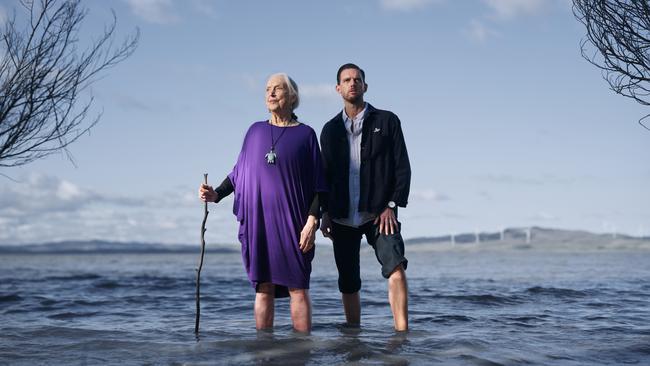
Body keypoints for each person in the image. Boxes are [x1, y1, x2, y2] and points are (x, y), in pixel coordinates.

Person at [199, 73, 327, 333]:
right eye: (268, 89)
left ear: (292, 97)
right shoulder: (255, 131)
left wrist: (312, 222)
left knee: (298, 287)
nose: (270, 93)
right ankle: (264, 353)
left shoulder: (306, 135)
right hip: (260, 224)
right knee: (263, 287)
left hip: (294, 224)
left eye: (277, 89)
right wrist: (217, 194)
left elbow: (320, 185)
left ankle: (301, 352)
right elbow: (239, 172)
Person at [319, 63, 411, 331]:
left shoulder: (387, 121)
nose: (352, 83)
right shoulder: (329, 129)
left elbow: (402, 167)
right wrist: (324, 211)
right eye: (346, 80)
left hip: (380, 214)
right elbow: (325, 174)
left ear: (365, 86)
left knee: (396, 267)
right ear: (338, 88)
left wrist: (392, 205)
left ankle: (401, 334)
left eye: (357, 79)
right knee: (348, 280)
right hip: (341, 215)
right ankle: (353, 336)